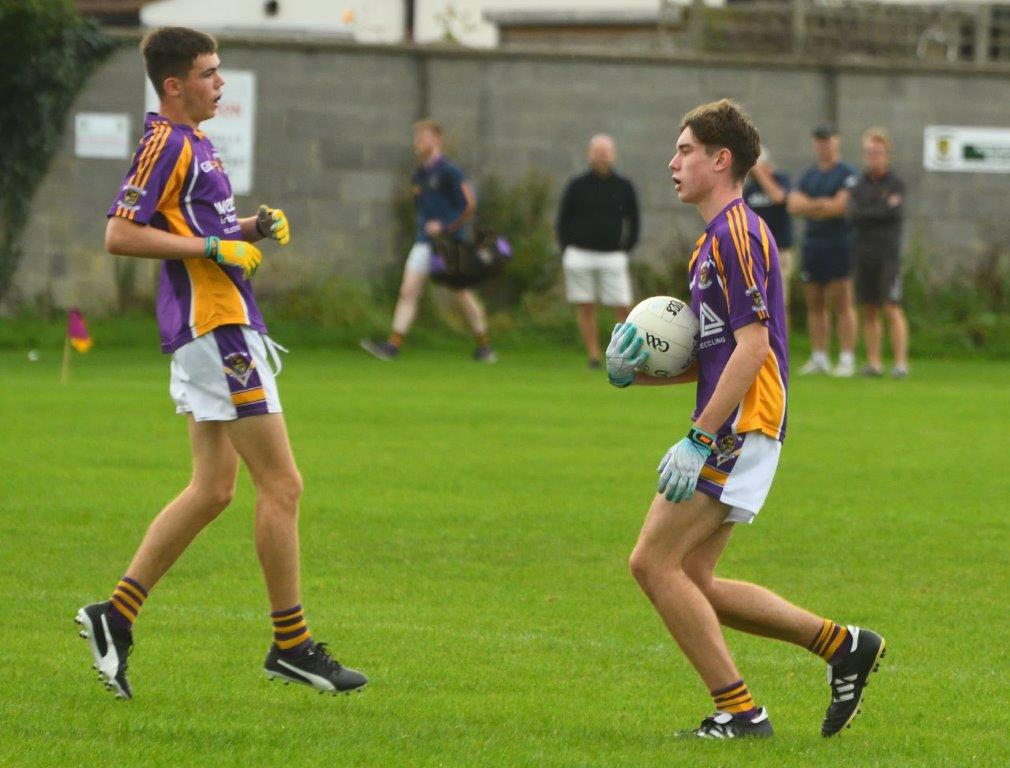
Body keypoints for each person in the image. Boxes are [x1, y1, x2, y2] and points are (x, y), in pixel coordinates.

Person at [76, 27, 366, 700]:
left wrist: (248, 232)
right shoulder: (165, 143)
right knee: (283, 484)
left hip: (219, 323)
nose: (220, 82)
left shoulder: (196, 144)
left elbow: (194, 234)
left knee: (213, 490)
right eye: (208, 73)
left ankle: (114, 616)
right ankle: (291, 645)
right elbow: (119, 233)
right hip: (217, 328)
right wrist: (214, 246)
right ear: (173, 85)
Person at [606, 99, 885, 739]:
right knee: (694, 576)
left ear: (719, 159)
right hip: (735, 420)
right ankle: (843, 645)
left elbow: (755, 348)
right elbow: (717, 355)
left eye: (684, 151)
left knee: (652, 564)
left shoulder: (738, 232)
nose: (671, 162)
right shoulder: (711, 241)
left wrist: (700, 436)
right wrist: (637, 373)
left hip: (744, 423)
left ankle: (740, 712)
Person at [360, 119, 496, 363]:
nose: (418, 143)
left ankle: (484, 345)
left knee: (461, 294)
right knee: (408, 291)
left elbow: (469, 204)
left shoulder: (448, 171)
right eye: (416, 138)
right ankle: (392, 346)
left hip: (449, 244)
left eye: (423, 137)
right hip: (424, 242)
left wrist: (447, 226)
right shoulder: (419, 175)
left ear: (436, 139)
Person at [556, 134, 640, 368]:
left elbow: (634, 220)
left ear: (613, 155)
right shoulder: (577, 185)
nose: (602, 156)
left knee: (623, 305)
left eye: (606, 152)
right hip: (579, 254)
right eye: (597, 152)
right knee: (585, 305)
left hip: (612, 255)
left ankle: (623, 352)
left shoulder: (624, 186)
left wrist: (626, 247)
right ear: (590, 154)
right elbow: (563, 219)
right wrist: (567, 248)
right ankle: (593, 355)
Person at [788, 125, 860, 377]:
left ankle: (847, 357)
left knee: (842, 302)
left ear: (836, 142)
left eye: (827, 141)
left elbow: (840, 207)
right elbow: (793, 205)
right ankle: (819, 357)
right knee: (815, 303)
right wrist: (820, 204)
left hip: (838, 244)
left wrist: (813, 205)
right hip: (812, 245)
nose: (823, 146)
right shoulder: (810, 175)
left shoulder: (848, 173)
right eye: (819, 141)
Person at [849, 128, 910, 378]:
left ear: (887, 154)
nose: (873, 156)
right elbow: (853, 215)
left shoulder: (896, 184)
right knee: (869, 309)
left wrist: (872, 211)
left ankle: (900, 363)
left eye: (878, 152)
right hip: (863, 254)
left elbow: (893, 213)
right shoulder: (858, 184)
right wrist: (880, 208)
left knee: (891, 307)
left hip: (888, 256)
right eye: (869, 152)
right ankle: (874, 362)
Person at [743, 147, 793, 320]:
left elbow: (779, 197)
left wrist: (760, 172)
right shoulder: (749, 188)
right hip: (755, 251)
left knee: (779, 301)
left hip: (779, 250)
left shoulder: (780, 179)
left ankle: (782, 345)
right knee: (758, 302)